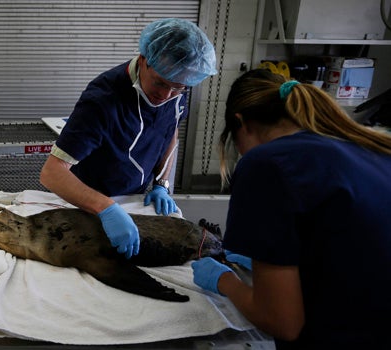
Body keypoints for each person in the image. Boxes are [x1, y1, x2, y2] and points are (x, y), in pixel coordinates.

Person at [191, 69, 391, 348]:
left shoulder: (267, 163)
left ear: (240, 123)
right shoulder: (370, 147)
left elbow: (281, 321)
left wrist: (224, 281)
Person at [40, 18, 217, 259]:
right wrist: (106, 208)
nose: (166, 95)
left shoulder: (177, 86)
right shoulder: (103, 100)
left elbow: (170, 128)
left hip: (137, 199)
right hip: (91, 205)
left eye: (177, 88)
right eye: (160, 83)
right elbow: (52, 173)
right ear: (144, 59)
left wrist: (162, 185)